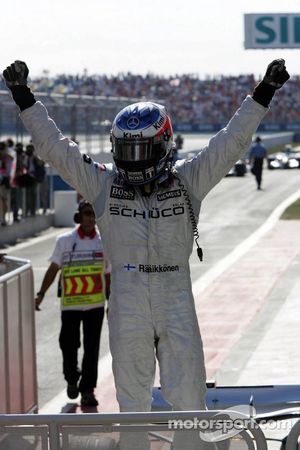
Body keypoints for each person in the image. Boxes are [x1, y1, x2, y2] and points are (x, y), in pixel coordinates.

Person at [3, 59, 289, 449]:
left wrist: (264, 92)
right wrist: (24, 96)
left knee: (190, 403)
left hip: (175, 296)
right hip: (128, 296)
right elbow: (56, 148)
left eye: (142, 149)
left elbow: (232, 141)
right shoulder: (102, 183)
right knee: (132, 404)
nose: (134, 158)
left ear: (164, 143)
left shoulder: (190, 179)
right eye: (127, 149)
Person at [35, 200, 111, 407]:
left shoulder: (104, 243)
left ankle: (87, 389)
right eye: (87, 213)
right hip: (70, 305)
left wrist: (111, 302)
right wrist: (41, 293)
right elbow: (53, 269)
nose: (91, 218)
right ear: (79, 215)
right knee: (68, 344)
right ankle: (71, 378)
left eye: (94, 214)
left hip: (95, 305)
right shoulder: (64, 241)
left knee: (92, 348)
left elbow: (108, 274)